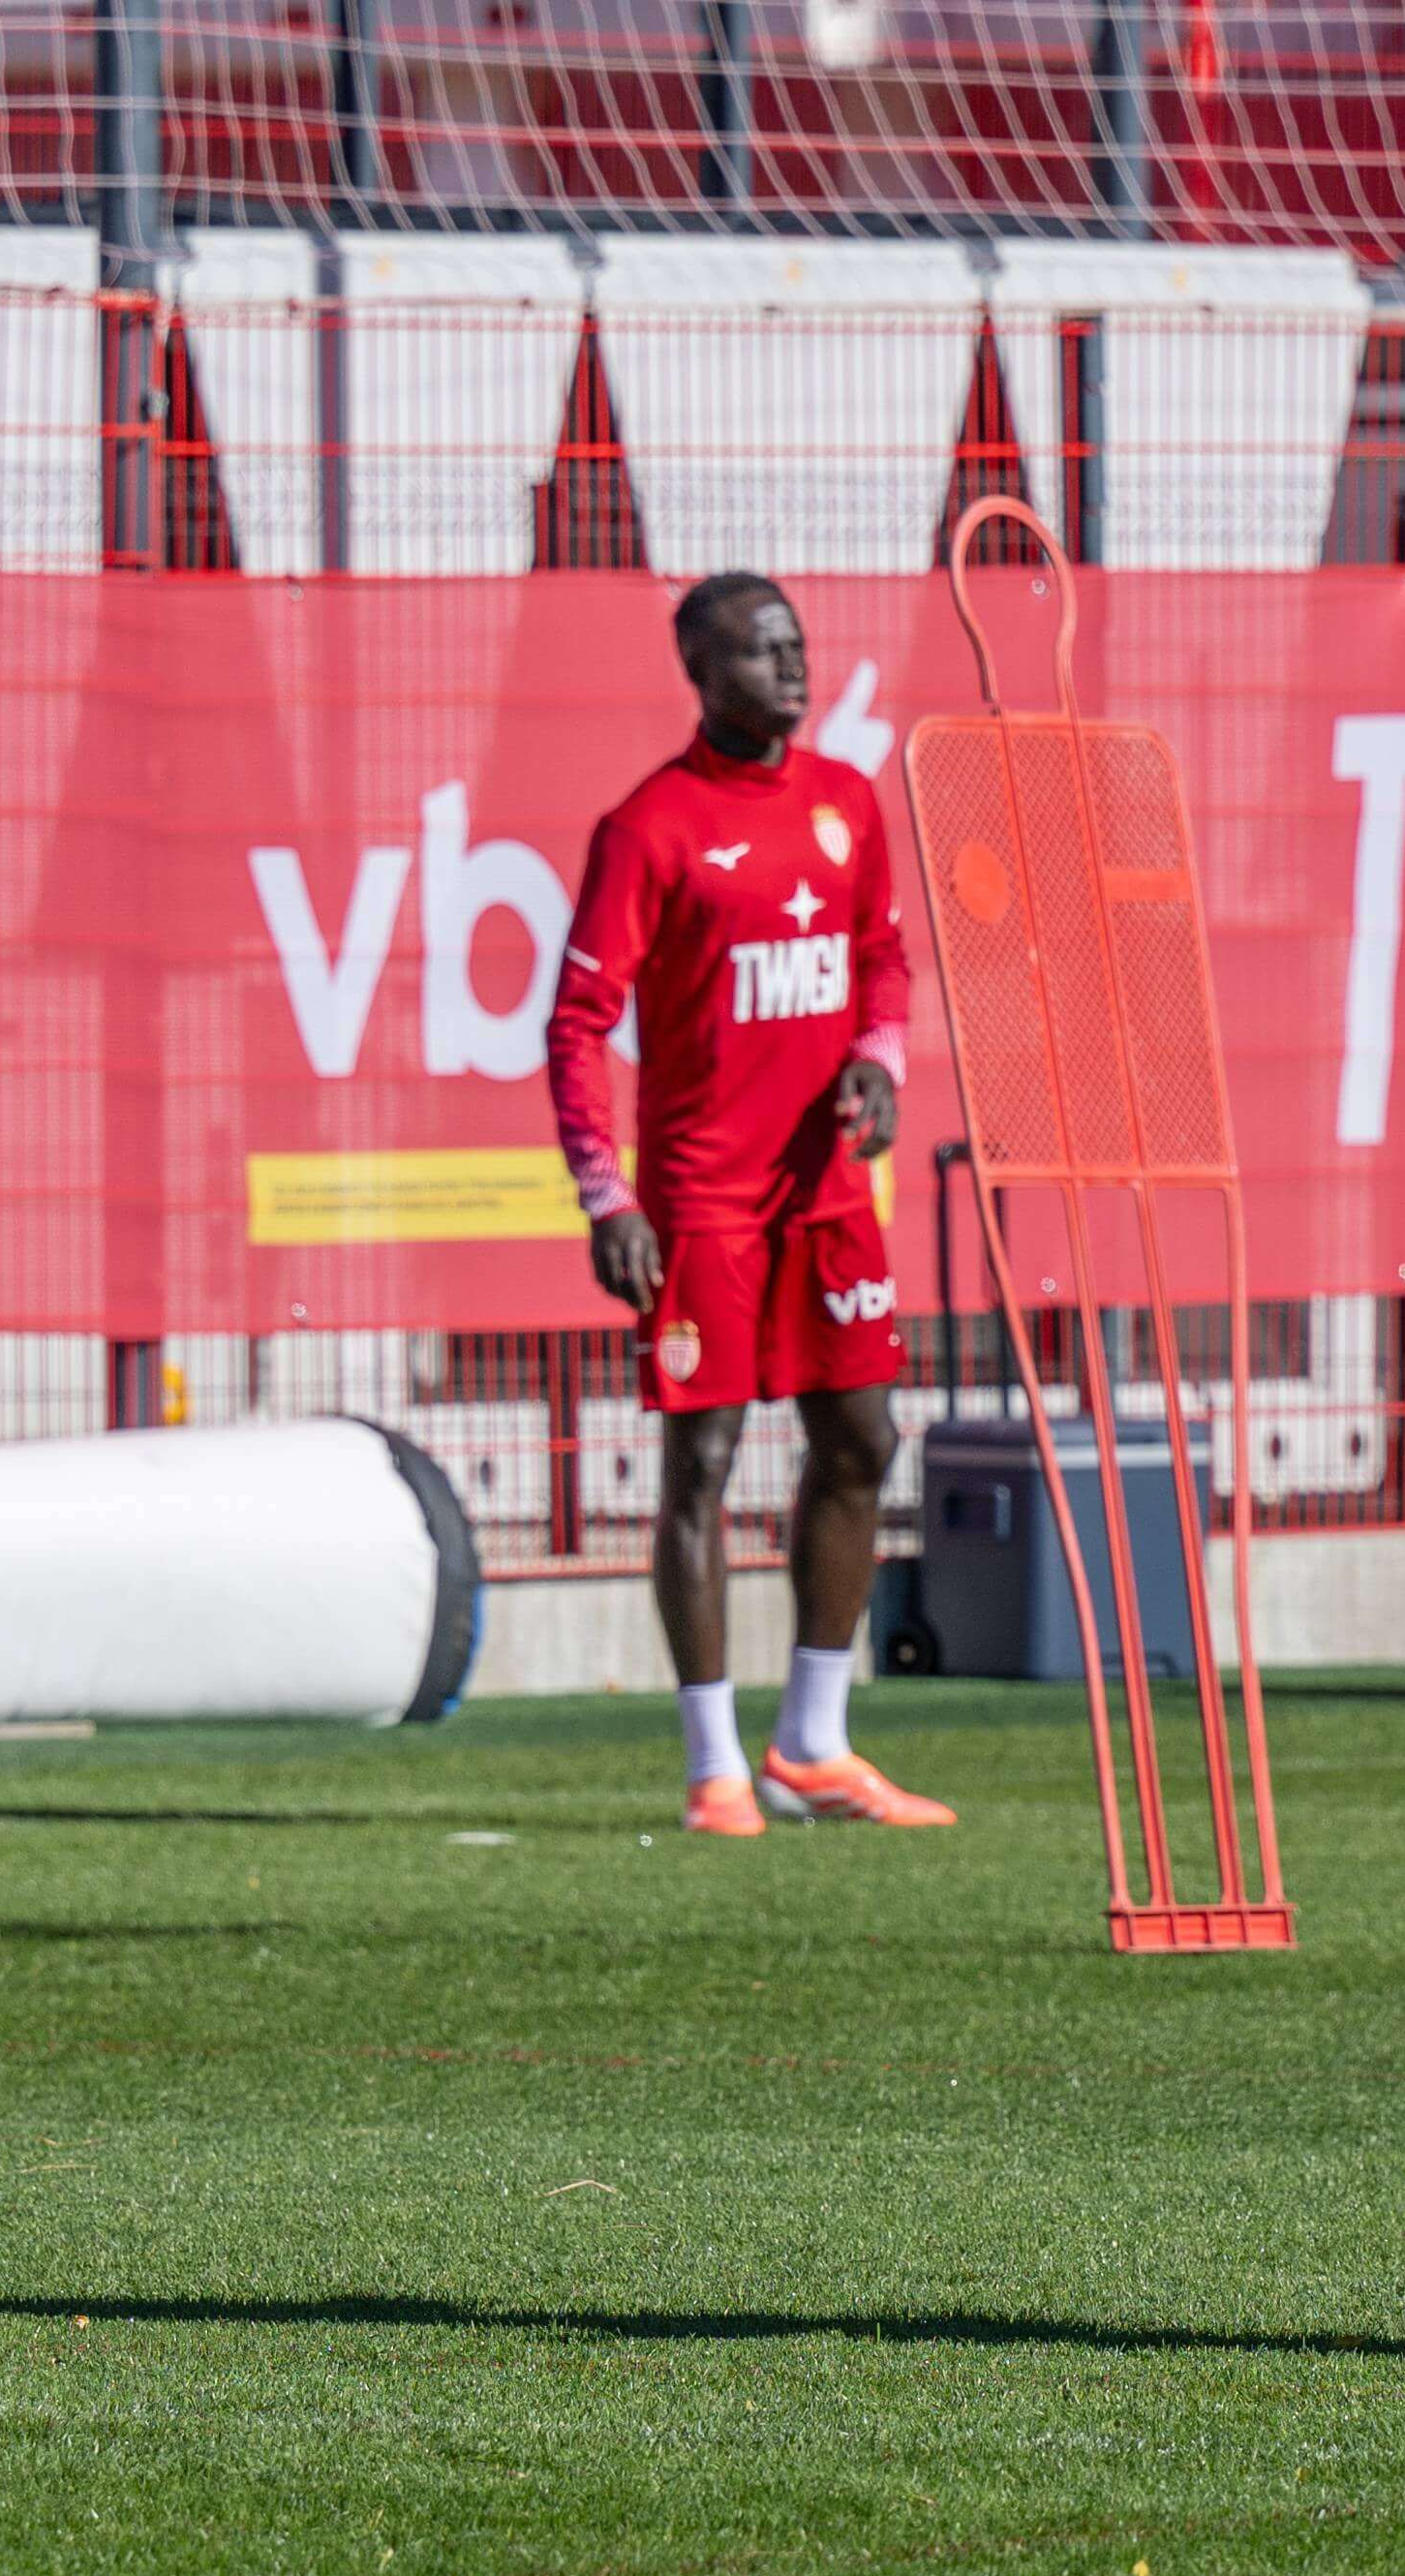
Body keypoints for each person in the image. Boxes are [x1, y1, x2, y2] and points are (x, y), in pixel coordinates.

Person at [546, 573, 956, 1838]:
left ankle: (815, 1742)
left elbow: (882, 956)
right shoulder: (650, 827)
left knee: (864, 1440)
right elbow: (575, 1024)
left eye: (797, 645)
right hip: (702, 1205)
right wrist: (606, 1192)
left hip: (823, 1194)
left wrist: (878, 1068)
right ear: (699, 669)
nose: (792, 668)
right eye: (760, 650)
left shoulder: (843, 802)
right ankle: (715, 1764)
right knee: (702, 1463)